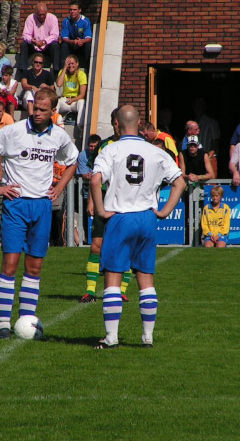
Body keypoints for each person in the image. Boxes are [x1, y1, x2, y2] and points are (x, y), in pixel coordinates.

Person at [0, 88, 79, 339]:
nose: (37, 114)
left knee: (34, 266)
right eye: (35, 108)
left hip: (42, 206)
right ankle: (2, 324)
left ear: (53, 111)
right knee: (9, 265)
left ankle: (27, 321)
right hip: (16, 205)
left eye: (44, 110)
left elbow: (73, 161)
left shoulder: (59, 136)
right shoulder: (13, 131)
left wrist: (59, 186)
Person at [90, 105, 185, 349]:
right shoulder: (156, 151)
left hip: (121, 217)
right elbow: (180, 183)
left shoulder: (110, 150)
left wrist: (100, 210)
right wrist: (164, 211)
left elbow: (95, 179)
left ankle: (111, 337)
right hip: (146, 218)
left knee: (113, 276)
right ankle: (147, 337)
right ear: (139, 122)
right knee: (145, 277)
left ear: (117, 125)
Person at [80, 108, 133, 304]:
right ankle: (90, 291)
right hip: (105, 201)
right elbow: (97, 175)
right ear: (113, 123)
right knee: (96, 246)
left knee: (125, 247)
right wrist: (92, 200)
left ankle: (122, 291)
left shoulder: (136, 144)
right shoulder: (104, 145)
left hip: (127, 203)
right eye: (115, 122)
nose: (118, 125)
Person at [19, 3, 60, 74]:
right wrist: (32, 40)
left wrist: (44, 42)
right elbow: (25, 35)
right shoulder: (30, 18)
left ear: (46, 13)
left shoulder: (52, 18)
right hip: (34, 46)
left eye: (43, 14)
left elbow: (55, 35)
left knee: (55, 45)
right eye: (39, 14)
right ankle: (23, 71)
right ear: (36, 13)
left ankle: (56, 71)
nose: (41, 16)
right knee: (24, 44)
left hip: (47, 47)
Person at [75, 133, 101, 243]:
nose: (93, 149)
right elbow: (85, 175)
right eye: (91, 146)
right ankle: (87, 239)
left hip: (101, 188)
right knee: (86, 214)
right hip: (85, 189)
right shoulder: (83, 155)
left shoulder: (104, 153)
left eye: (95, 146)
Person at [60, 0, 92, 72]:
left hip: (81, 45)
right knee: (64, 45)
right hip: (71, 44)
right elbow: (64, 38)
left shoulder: (85, 21)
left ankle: (88, 70)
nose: (72, 11)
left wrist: (82, 41)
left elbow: (89, 37)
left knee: (88, 45)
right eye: (70, 10)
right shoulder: (66, 21)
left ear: (79, 10)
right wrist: (73, 41)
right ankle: (62, 70)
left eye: (74, 10)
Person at [191, 98, 220, 177]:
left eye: (199, 107)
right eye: (195, 107)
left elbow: (215, 140)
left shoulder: (211, 122)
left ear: (204, 108)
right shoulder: (193, 123)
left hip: (209, 156)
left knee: (210, 184)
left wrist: (209, 156)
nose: (197, 109)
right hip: (196, 157)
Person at [55, 54, 87, 125]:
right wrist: (65, 68)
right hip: (65, 100)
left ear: (77, 64)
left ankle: (80, 125)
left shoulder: (82, 74)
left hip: (75, 101)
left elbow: (82, 95)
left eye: (72, 63)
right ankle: (53, 124)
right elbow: (59, 84)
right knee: (57, 102)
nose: (70, 66)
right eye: (68, 64)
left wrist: (72, 100)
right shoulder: (62, 72)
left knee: (82, 102)